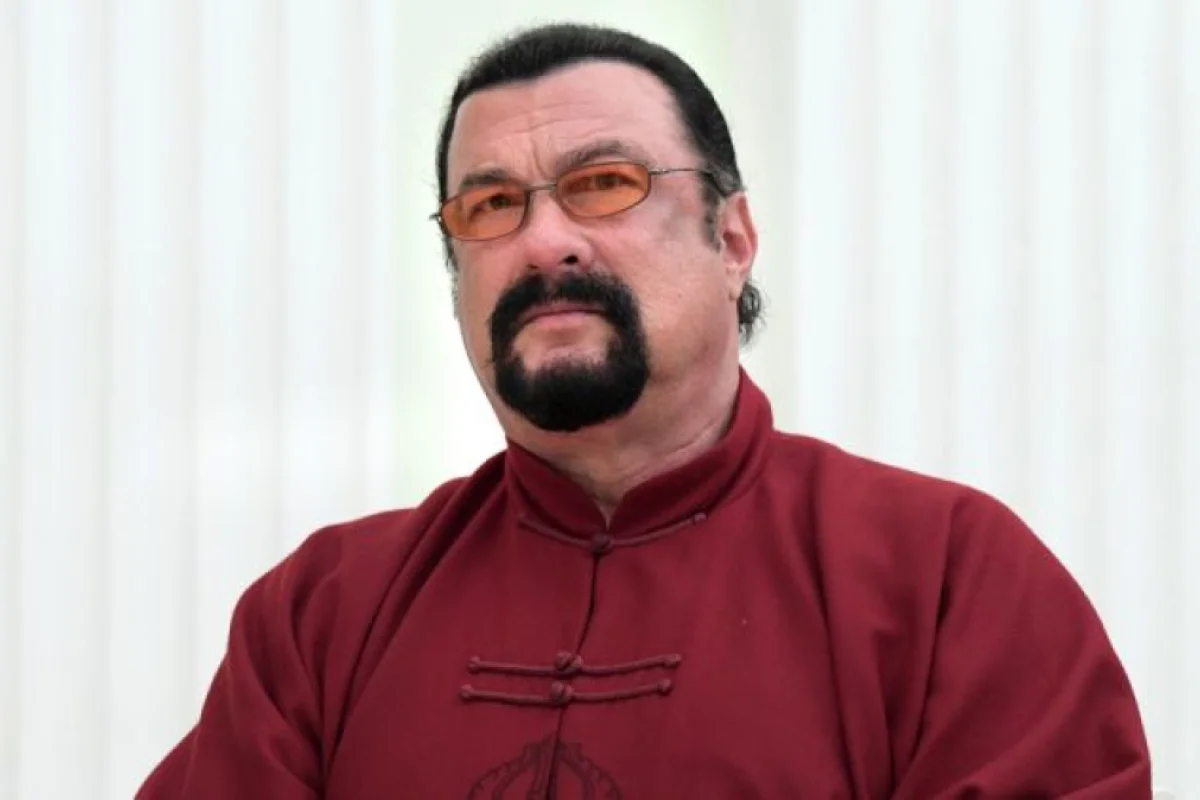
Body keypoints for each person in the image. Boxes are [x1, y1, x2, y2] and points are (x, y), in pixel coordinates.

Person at [137, 22, 1151, 799]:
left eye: (605, 183)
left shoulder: (948, 581)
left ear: (732, 239)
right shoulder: (321, 617)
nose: (544, 242)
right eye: (490, 206)